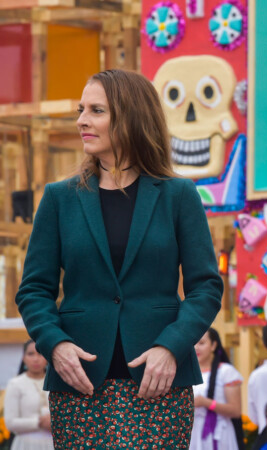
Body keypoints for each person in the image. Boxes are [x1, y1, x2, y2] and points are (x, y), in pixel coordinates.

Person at [15, 69, 223, 449]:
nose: (81, 120)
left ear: (130, 117)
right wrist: (55, 345)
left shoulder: (179, 195)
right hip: (79, 385)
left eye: (96, 110)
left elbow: (206, 287)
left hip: (159, 384)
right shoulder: (59, 198)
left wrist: (171, 346)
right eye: (82, 110)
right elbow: (34, 290)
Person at [191, 328, 244, 450]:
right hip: (192, 433)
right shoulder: (186, 374)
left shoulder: (226, 372)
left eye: (201, 343)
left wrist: (207, 403)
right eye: (193, 343)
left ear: (214, 345)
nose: (196, 348)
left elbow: (236, 410)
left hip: (219, 434)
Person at [3, 340, 54, 450]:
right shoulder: (15, 384)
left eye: (40, 353)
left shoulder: (55, 383)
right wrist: (39, 422)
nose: (36, 358)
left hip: (52, 444)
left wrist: (54, 422)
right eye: (31, 354)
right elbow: (10, 422)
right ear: (23, 358)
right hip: (24, 445)